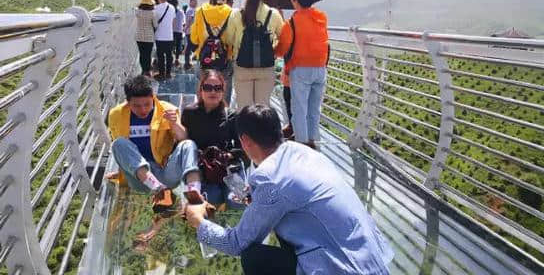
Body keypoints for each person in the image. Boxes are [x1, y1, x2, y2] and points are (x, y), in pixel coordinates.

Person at [185, 105, 394, 275]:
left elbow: (236, 243)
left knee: (254, 258)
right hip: (374, 260)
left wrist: (199, 222)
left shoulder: (268, 177)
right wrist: (257, 197)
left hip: (344, 268)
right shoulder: (305, 153)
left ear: (245, 141)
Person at [105, 75, 198, 201]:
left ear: (153, 97)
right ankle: (158, 189)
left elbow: (183, 139)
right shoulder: (116, 114)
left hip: (164, 172)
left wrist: (174, 123)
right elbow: (124, 152)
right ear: (128, 102)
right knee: (118, 143)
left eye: (147, 104)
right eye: (136, 105)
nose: (143, 110)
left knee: (188, 144)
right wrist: (123, 173)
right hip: (140, 179)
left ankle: (194, 191)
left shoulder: (167, 110)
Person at [275, 0, 329, 149]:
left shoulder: (291, 23)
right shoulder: (322, 17)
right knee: (314, 109)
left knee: (299, 109)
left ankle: (302, 146)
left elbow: (281, 50)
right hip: (320, 69)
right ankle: (313, 141)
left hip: (301, 70)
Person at [181, 70, 245, 209]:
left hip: (229, 168)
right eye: (208, 87)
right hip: (204, 171)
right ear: (201, 89)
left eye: (218, 88)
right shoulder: (189, 113)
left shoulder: (231, 115)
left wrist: (227, 155)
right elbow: (184, 144)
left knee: (239, 201)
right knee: (211, 198)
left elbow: (244, 149)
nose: (213, 92)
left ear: (223, 91)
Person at [227, 0, 284, 108]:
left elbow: (229, 39)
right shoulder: (274, 14)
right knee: (262, 109)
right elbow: (283, 38)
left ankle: (245, 130)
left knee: (244, 109)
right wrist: (273, 49)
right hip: (266, 66)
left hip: (242, 66)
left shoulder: (236, 14)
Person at [190, 0, 234, 103]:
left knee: (203, 97)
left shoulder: (200, 11)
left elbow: (194, 38)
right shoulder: (231, 12)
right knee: (224, 100)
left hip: (205, 60)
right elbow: (233, 39)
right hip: (224, 62)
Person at [154, 0, 176, 80]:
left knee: (160, 56)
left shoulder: (156, 8)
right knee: (169, 55)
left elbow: (154, 22)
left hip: (159, 36)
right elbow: (173, 22)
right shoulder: (172, 8)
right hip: (169, 36)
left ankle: (161, 73)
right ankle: (168, 73)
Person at [135, 0, 157, 77]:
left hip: (139, 36)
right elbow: (155, 25)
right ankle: (147, 71)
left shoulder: (137, 12)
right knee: (148, 54)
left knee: (141, 53)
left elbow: (135, 8)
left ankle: (143, 69)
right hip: (149, 36)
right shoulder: (152, 13)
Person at [169, 0, 185, 67]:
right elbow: (184, 22)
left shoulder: (170, 11)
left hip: (172, 31)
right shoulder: (181, 11)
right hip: (179, 31)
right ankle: (177, 59)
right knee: (178, 46)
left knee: (171, 46)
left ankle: (171, 59)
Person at [184, 0, 198, 70]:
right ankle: (187, 63)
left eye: (196, 1)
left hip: (191, 31)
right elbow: (190, 19)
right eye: (194, 1)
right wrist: (186, 28)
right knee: (191, 47)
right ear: (190, 1)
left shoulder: (191, 9)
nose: (196, 3)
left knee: (190, 47)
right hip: (190, 31)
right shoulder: (191, 10)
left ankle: (188, 63)